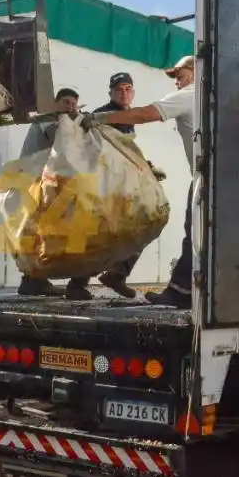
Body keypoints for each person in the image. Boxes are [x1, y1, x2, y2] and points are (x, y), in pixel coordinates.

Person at [81, 56, 195, 308]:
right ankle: (85, 281)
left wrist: (146, 170)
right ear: (111, 92)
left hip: (199, 179)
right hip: (108, 185)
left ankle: (123, 274)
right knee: (109, 227)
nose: (177, 81)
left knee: (151, 221)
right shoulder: (107, 114)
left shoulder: (190, 95)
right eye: (119, 89)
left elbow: (144, 116)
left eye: (180, 75)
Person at [15, 88, 81, 297]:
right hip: (30, 180)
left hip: (38, 180)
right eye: (66, 102)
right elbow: (56, 137)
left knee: (39, 230)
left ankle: (34, 280)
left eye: (74, 103)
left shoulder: (60, 120)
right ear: (55, 103)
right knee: (37, 229)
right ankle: (32, 280)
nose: (70, 106)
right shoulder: (49, 118)